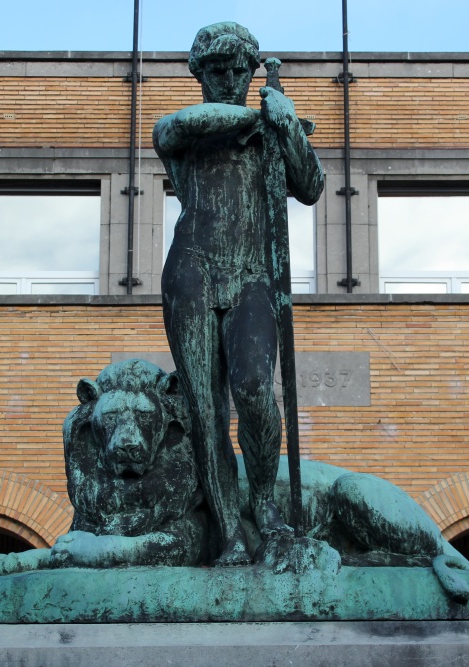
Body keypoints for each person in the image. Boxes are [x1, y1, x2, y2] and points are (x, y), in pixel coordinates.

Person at [153, 22, 324, 566]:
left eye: (238, 70)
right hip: (192, 271)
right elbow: (185, 124)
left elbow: (311, 185)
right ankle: (227, 531)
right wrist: (262, 117)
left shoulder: (271, 131)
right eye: (216, 70)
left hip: (253, 274)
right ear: (198, 73)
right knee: (204, 408)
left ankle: (264, 506)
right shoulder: (184, 129)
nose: (228, 79)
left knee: (253, 389)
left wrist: (289, 126)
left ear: (253, 71)